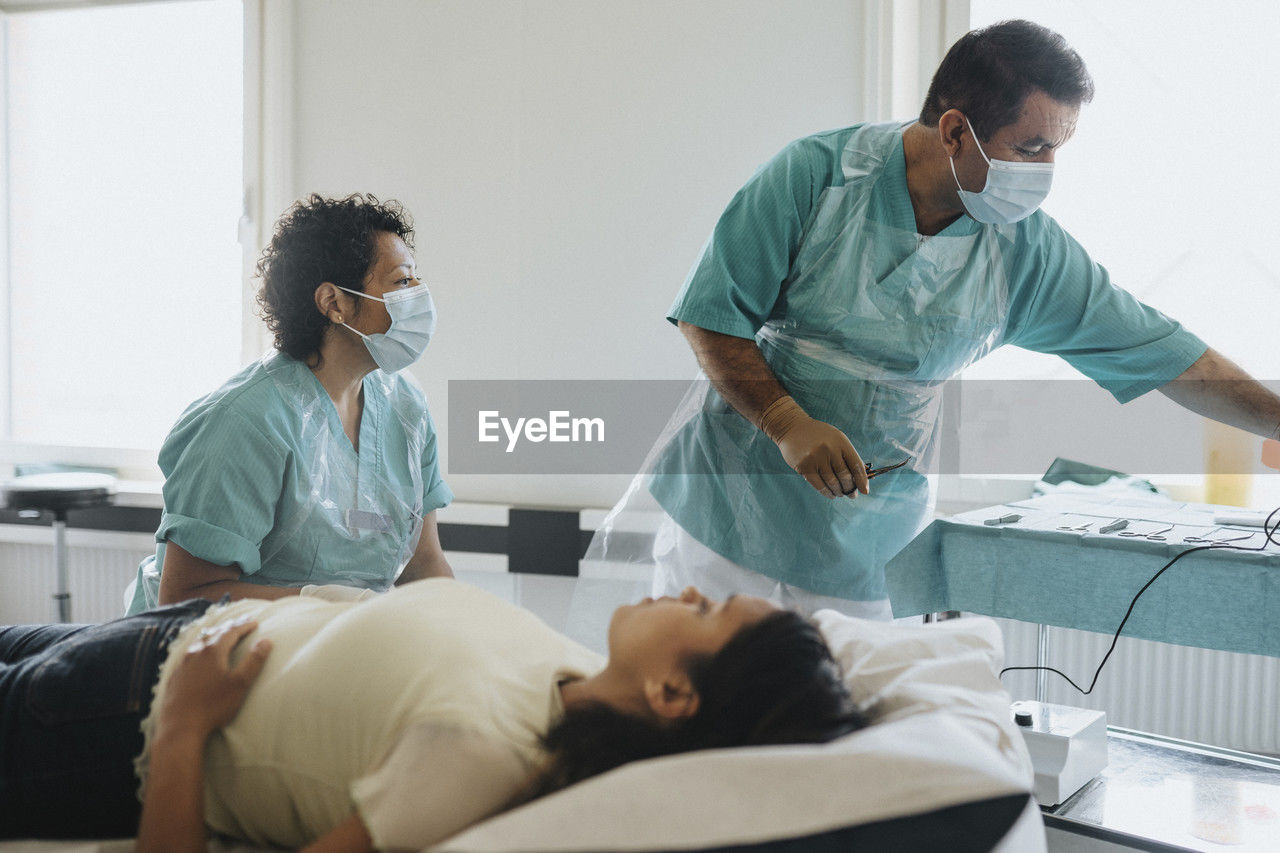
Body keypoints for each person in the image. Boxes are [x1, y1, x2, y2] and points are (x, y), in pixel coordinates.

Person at [595, 19, 1280, 619]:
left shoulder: (1024, 250)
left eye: (1058, 150)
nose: (1046, 172)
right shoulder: (816, 179)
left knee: (848, 730)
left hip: (869, 538)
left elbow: (1168, 353)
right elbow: (712, 315)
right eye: (1033, 147)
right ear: (956, 130)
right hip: (732, 510)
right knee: (700, 713)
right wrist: (786, 423)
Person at [0, 579, 865, 851]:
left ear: (675, 695)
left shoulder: (484, 757)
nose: (684, 587)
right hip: (168, 635)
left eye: (705, 609)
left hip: (116, 721)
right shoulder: (566, 668)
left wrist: (186, 725)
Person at [126, 194, 454, 614]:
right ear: (334, 303)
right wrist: (321, 604)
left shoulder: (405, 408)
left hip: (340, 648)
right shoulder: (245, 421)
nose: (418, 297)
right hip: (224, 660)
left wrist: (460, 628)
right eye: (401, 282)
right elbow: (185, 596)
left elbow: (424, 564)